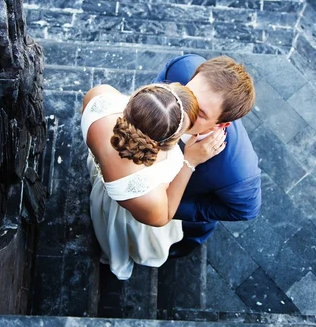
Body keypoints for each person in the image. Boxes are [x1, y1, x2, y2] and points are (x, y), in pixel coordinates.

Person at [81, 82, 226, 280]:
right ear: (167, 144)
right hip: (127, 213)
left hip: (103, 178)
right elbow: (163, 217)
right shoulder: (148, 196)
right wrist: (189, 162)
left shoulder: (100, 97)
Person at [154, 54, 261, 258]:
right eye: (187, 93)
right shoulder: (181, 68)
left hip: (178, 213)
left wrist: (166, 205)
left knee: (189, 237)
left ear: (221, 125)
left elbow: (245, 211)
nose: (180, 108)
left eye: (200, 113)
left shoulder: (238, 173)